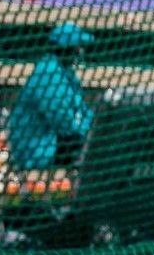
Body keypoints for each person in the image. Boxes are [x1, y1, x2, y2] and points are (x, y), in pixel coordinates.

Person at [6, 23, 96, 177]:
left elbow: (81, 109)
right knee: (97, 154)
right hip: (36, 150)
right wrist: (86, 133)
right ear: (66, 47)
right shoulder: (48, 73)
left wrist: (93, 128)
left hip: (57, 144)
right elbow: (61, 120)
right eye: (77, 46)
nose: (80, 51)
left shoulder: (66, 72)